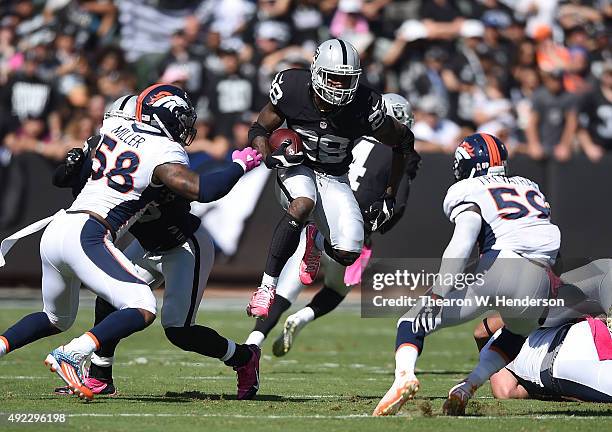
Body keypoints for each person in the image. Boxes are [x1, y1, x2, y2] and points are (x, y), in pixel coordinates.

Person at [0, 84, 262, 401]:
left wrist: (81, 158)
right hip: (124, 238)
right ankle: (97, 373)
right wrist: (240, 164)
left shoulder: (125, 140)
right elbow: (69, 179)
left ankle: (244, 358)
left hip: (181, 243)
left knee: (179, 331)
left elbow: (189, 188)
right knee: (114, 303)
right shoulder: (155, 150)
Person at [373, 132, 562, 416]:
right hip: (540, 278)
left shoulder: (469, 189)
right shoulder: (529, 186)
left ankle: (404, 377)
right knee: (515, 332)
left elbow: (462, 243)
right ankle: (467, 386)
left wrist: (439, 291)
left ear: (470, 163)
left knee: (412, 320)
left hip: (500, 266)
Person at [246, 38, 420, 320]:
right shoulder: (291, 88)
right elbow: (258, 129)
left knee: (350, 250)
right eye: (333, 77)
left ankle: (314, 241)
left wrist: (389, 193)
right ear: (316, 71)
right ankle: (266, 287)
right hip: (297, 167)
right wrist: (269, 158)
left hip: (335, 176)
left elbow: (403, 142)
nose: (339, 86)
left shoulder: (365, 104)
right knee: (304, 202)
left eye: (345, 79)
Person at [244, 93, 415, 353]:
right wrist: (378, 221)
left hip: (320, 216)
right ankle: (302, 317)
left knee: (284, 292)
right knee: (336, 289)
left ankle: (252, 342)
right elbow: (398, 205)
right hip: (351, 229)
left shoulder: (351, 132)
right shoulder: (400, 151)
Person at [474, 310, 612, 402]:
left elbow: (505, 393)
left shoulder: (505, 372)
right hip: (573, 341)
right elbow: (480, 332)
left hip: (558, 366)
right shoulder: (511, 331)